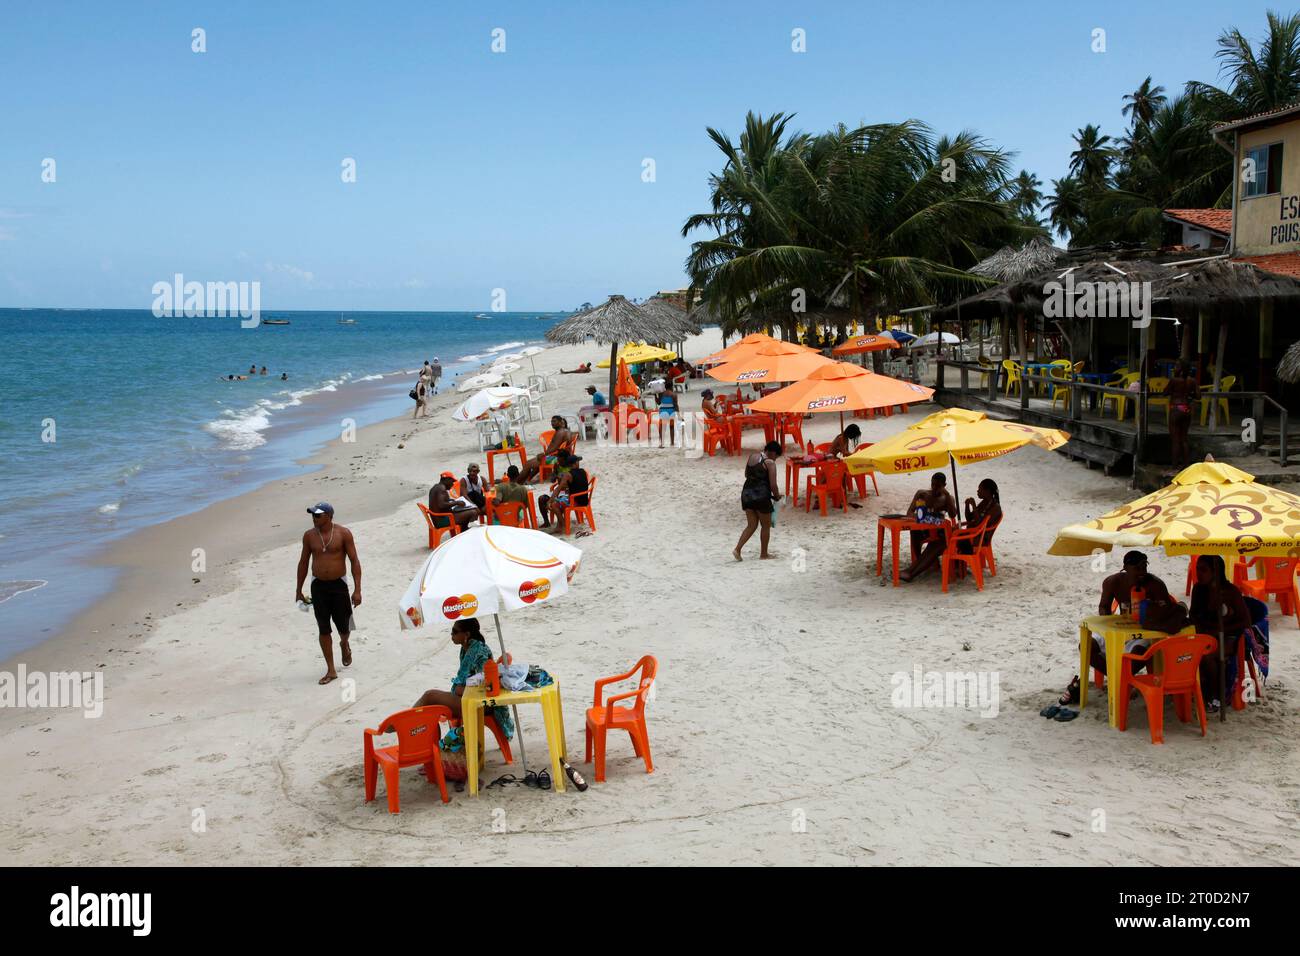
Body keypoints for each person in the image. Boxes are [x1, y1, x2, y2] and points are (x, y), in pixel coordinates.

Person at [1058, 550, 1186, 705]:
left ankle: (1118, 679)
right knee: (1086, 646)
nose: (1142, 572)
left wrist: (1152, 609)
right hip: (1120, 626)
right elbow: (1104, 607)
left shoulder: (1155, 585)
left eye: (1144, 567)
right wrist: (1110, 619)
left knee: (1139, 654)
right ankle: (1118, 678)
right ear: (1125, 567)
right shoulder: (1113, 582)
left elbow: (1168, 611)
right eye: (1137, 568)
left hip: (1145, 632)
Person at [412, 616, 514, 739]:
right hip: (471, 698)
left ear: (466, 634)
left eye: (455, 632)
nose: (451, 635)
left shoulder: (478, 652)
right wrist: (459, 688)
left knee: (430, 696)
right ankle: (417, 733)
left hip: (483, 704)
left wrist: (459, 688)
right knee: (431, 701)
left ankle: (406, 723)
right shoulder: (466, 649)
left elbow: (483, 684)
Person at [294, 502, 362, 685]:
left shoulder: (343, 533)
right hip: (318, 586)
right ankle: (331, 670)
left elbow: (354, 561)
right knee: (323, 627)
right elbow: (303, 562)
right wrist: (299, 589)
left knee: (345, 626)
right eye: (313, 515)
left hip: (339, 584)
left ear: (329, 516)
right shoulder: (309, 536)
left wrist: (357, 589)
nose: (314, 518)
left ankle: (344, 643)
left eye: (317, 515)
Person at [1189, 554, 1251, 714]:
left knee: (1208, 657)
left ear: (1216, 572)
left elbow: (1245, 621)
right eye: (1197, 569)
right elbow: (1193, 615)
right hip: (1205, 634)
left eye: (1203, 570)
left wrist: (1221, 629)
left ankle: (1216, 695)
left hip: (1229, 636)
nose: (1199, 573)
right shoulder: (1198, 589)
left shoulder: (1230, 592)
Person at [734, 440, 782, 561]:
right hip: (761, 496)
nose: (775, 459)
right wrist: (776, 496)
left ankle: (737, 549)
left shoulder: (752, 457)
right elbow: (773, 485)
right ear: (773, 453)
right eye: (776, 456)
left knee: (751, 525)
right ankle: (764, 554)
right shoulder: (770, 463)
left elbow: (746, 474)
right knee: (765, 525)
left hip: (746, 494)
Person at [904, 473, 958, 560]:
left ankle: (927, 561)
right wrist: (920, 517)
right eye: (932, 484)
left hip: (939, 530)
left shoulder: (948, 498)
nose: (934, 487)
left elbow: (953, 515)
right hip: (924, 529)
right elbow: (909, 512)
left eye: (938, 485)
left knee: (940, 538)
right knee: (914, 532)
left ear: (944, 485)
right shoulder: (922, 494)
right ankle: (919, 559)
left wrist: (947, 496)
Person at [539, 452, 589, 532]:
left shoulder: (568, 475)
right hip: (584, 500)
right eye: (578, 461)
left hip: (576, 501)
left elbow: (558, 488)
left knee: (554, 505)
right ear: (575, 463)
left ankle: (563, 525)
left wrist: (550, 501)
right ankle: (560, 524)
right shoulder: (583, 471)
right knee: (560, 501)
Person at [1165, 361, 1199, 470]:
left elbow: (1165, 392)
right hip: (1186, 409)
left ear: (1181, 369)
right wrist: (1190, 394)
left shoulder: (1174, 380)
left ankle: (1174, 466)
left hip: (1176, 408)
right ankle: (1186, 465)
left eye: (1176, 366)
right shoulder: (1192, 381)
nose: (1174, 368)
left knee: (1175, 440)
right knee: (1184, 439)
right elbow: (1198, 396)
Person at [519, 416, 572, 483]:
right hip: (562, 455)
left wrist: (543, 454)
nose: (552, 423)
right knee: (535, 463)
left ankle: (517, 482)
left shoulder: (560, 432)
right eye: (551, 422)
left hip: (555, 457)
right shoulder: (566, 431)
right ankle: (527, 480)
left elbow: (554, 448)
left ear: (560, 422)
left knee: (527, 464)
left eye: (554, 421)